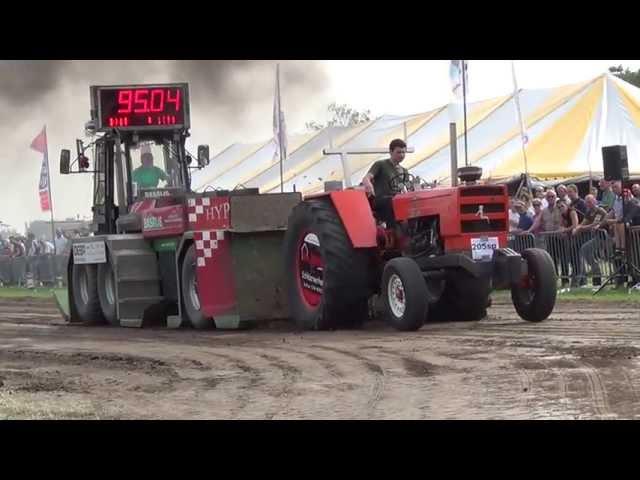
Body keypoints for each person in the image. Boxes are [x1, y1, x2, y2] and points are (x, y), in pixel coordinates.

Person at [362, 139, 409, 227]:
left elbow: (406, 190)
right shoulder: (381, 165)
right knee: (392, 202)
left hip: (397, 201)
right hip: (382, 201)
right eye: (398, 152)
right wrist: (368, 185)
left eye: (403, 152)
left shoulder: (405, 171)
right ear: (391, 152)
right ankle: (394, 231)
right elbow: (366, 178)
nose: (402, 155)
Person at [574, 194, 610, 287]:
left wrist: (581, 228)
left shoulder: (600, 211)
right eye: (587, 202)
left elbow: (594, 224)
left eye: (590, 201)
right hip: (597, 237)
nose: (588, 204)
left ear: (595, 201)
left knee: (584, 249)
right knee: (586, 251)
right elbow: (583, 223)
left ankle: (597, 273)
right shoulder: (589, 212)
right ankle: (596, 273)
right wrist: (577, 228)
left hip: (604, 236)